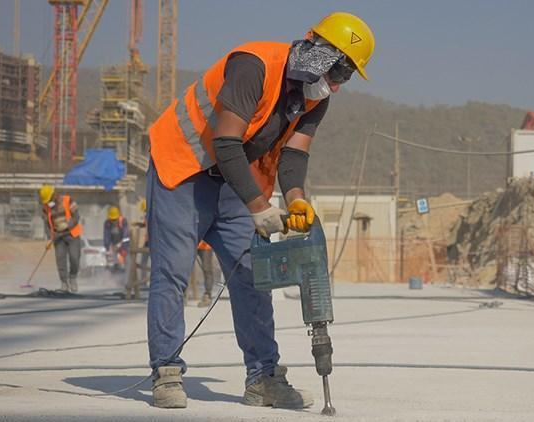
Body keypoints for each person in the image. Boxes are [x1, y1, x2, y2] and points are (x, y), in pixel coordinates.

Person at [145, 12, 374, 409]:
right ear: (314, 48)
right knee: (173, 273)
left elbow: (293, 156)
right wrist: (259, 207)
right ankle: (166, 372)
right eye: (337, 69)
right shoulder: (254, 65)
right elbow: (226, 142)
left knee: (253, 278)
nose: (336, 83)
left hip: (233, 181)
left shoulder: (316, 98)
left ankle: (263, 378)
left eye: (347, 75)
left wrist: (296, 199)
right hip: (183, 169)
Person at [39, 184, 82, 292]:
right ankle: (64, 282)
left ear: (54, 195)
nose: (49, 202)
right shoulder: (45, 208)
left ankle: (73, 278)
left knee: (74, 257)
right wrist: (50, 237)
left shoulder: (67, 200)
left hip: (72, 234)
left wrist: (68, 225)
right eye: (47, 201)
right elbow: (47, 225)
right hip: (58, 237)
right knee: (60, 260)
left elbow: (76, 216)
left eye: (50, 199)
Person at [103, 206, 129, 272]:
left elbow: (126, 236)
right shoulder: (107, 223)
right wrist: (108, 248)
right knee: (111, 265)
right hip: (113, 245)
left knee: (122, 263)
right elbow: (106, 236)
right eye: (112, 219)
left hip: (123, 245)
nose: (113, 221)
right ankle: (112, 272)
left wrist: (123, 247)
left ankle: (122, 271)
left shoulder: (123, 222)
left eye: (114, 219)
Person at [195, 241, 217, 307]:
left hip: (205, 245)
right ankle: (182, 295)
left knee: (207, 270)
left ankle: (207, 295)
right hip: (191, 243)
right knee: (186, 269)